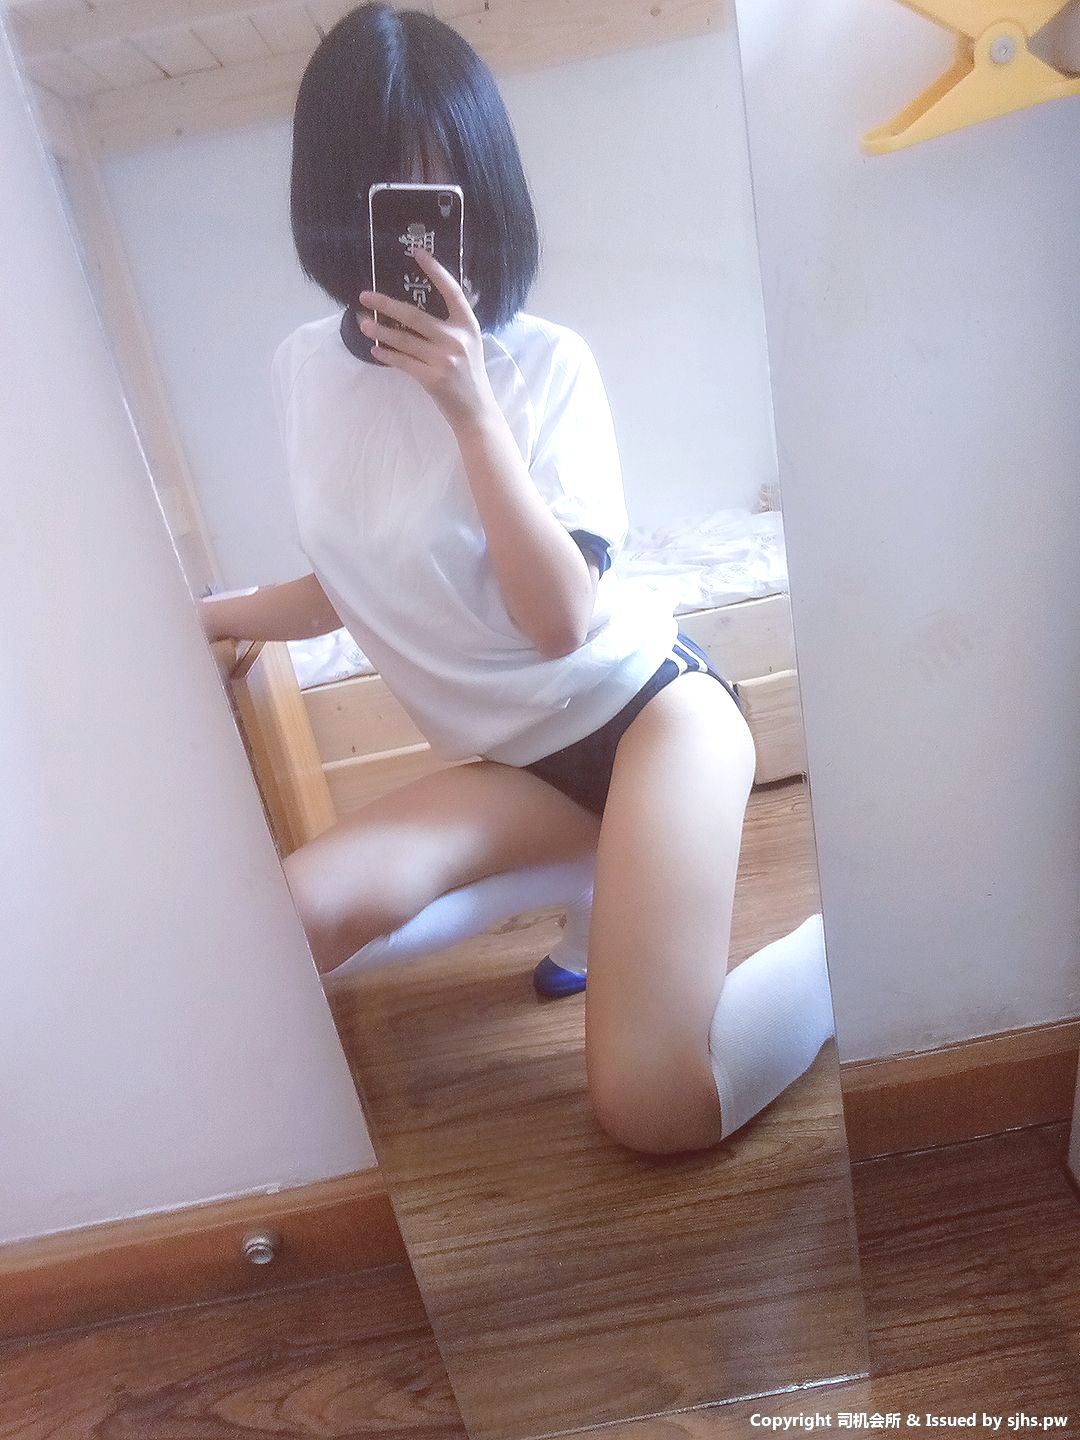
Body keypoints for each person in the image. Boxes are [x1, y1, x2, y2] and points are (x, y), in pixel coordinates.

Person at [201, 2, 834, 1156]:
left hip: (651, 720)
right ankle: (602, 882)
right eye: (382, 197)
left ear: (484, 192)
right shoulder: (299, 371)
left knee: (656, 1109)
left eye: (443, 193)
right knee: (277, 924)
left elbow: (556, 623)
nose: (418, 236)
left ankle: (848, 944)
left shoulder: (544, 365)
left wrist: (470, 408)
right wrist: (194, 619)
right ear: (328, 201)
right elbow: (355, 580)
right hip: (515, 764)